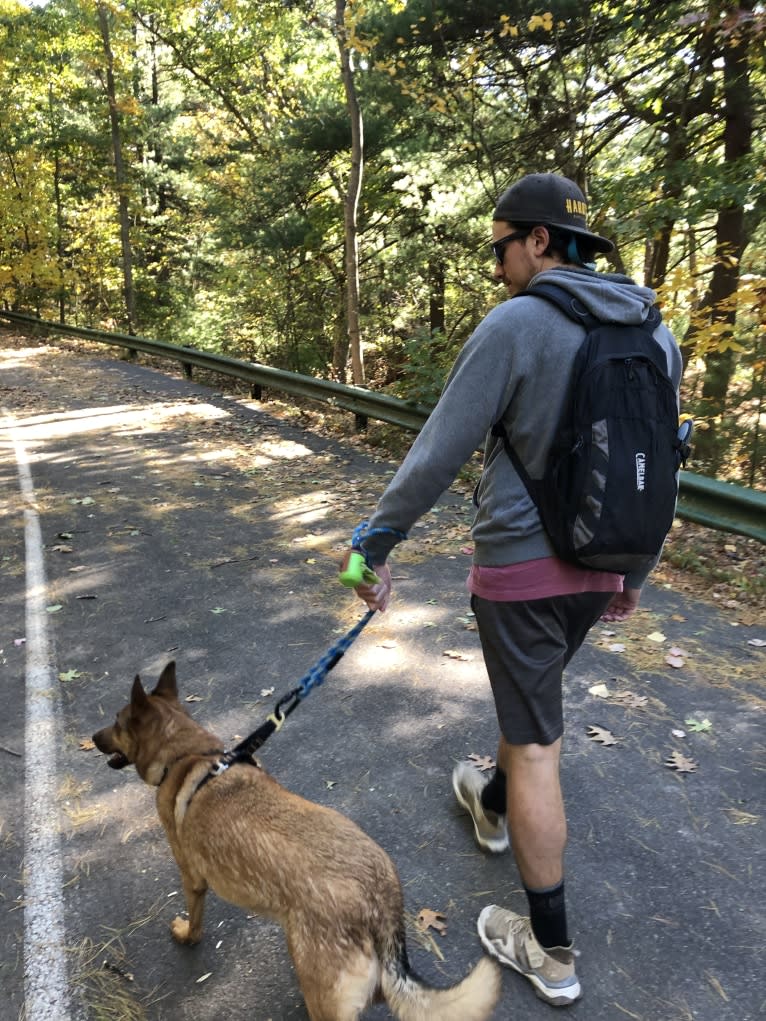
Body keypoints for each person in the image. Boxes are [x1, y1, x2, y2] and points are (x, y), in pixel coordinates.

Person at [346, 172, 683, 1006]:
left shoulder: (520, 324)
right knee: (527, 707)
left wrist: (374, 542)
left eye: (501, 247)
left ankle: (552, 948)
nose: (497, 266)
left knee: (536, 743)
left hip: (521, 576)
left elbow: (439, 448)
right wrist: (630, 575)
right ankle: (488, 801)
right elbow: (662, 470)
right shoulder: (656, 332)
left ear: (540, 241)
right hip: (602, 566)